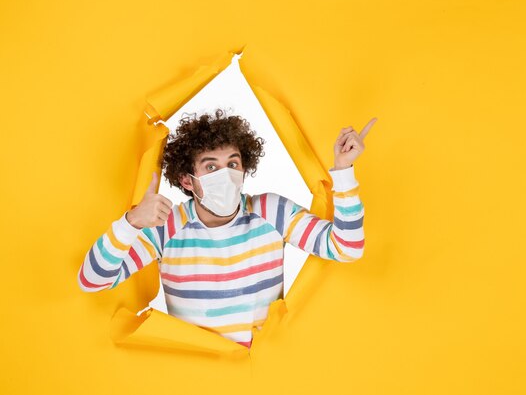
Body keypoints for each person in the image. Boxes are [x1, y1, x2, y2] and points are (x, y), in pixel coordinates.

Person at [77, 109, 376, 348]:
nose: (226, 175)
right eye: (210, 167)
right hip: (200, 377)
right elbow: (92, 281)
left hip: (266, 374)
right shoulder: (166, 226)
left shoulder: (271, 211)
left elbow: (346, 248)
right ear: (186, 180)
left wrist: (344, 172)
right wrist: (132, 223)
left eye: (233, 164)